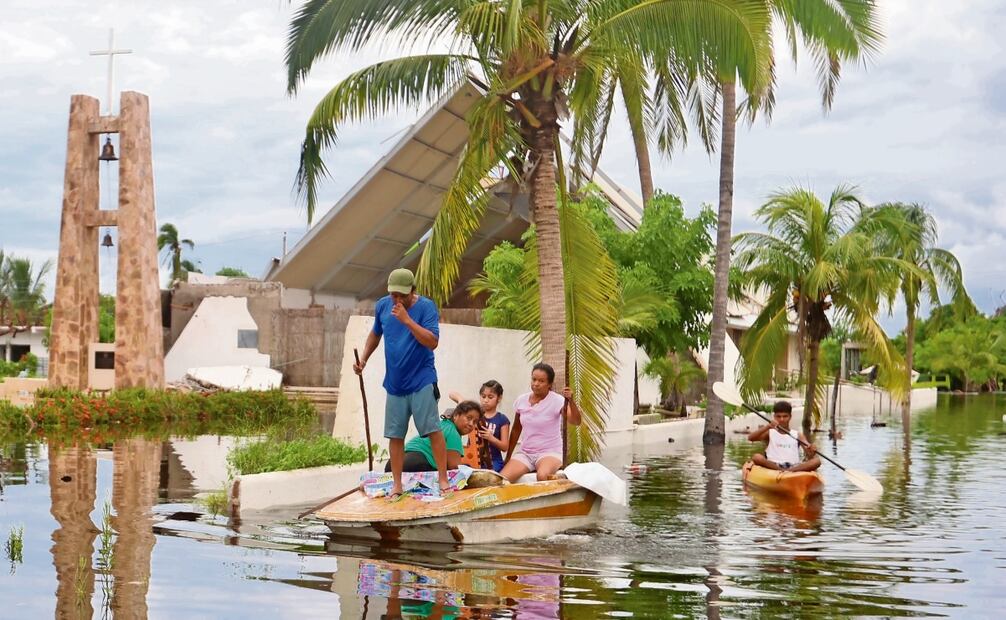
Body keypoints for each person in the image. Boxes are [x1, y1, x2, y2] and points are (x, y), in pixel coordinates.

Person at [354, 267, 446, 497]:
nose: (397, 299)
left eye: (402, 295)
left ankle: (443, 480)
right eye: (394, 295)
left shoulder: (426, 307)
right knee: (395, 435)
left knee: (432, 429)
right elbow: (376, 334)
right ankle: (397, 485)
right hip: (395, 383)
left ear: (412, 291)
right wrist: (363, 359)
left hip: (422, 378)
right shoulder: (383, 306)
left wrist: (407, 321)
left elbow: (432, 341)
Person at [500, 363, 580, 482]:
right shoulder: (521, 400)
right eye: (534, 379)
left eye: (541, 381)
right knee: (502, 480)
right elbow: (516, 429)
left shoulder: (557, 400)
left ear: (549, 384)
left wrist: (571, 401)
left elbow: (576, 421)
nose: (536, 384)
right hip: (526, 453)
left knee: (542, 476)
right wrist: (508, 456)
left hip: (550, 452)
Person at [384, 401, 481, 473]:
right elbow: (454, 468)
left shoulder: (441, 425)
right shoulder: (453, 433)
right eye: (468, 418)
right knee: (463, 471)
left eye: (475, 422)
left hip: (392, 464)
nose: (471, 424)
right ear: (456, 415)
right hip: (412, 464)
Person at [449, 380, 510, 472]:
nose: (485, 400)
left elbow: (505, 447)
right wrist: (461, 401)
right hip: (472, 457)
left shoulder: (502, 419)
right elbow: (451, 393)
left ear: (499, 398)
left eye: (490, 397)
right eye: (483, 396)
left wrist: (491, 438)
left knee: (490, 476)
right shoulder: (474, 415)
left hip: (493, 462)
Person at [747, 401, 821, 472]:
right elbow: (750, 438)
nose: (781, 419)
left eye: (785, 416)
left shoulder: (797, 434)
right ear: (774, 417)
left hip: (793, 467)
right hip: (773, 466)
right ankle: (782, 471)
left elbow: (809, 454)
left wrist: (812, 448)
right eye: (778, 416)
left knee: (816, 461)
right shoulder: (769, 432)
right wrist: (768, 426)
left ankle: (787, 472)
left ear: (790, 417)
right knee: (756, 457)